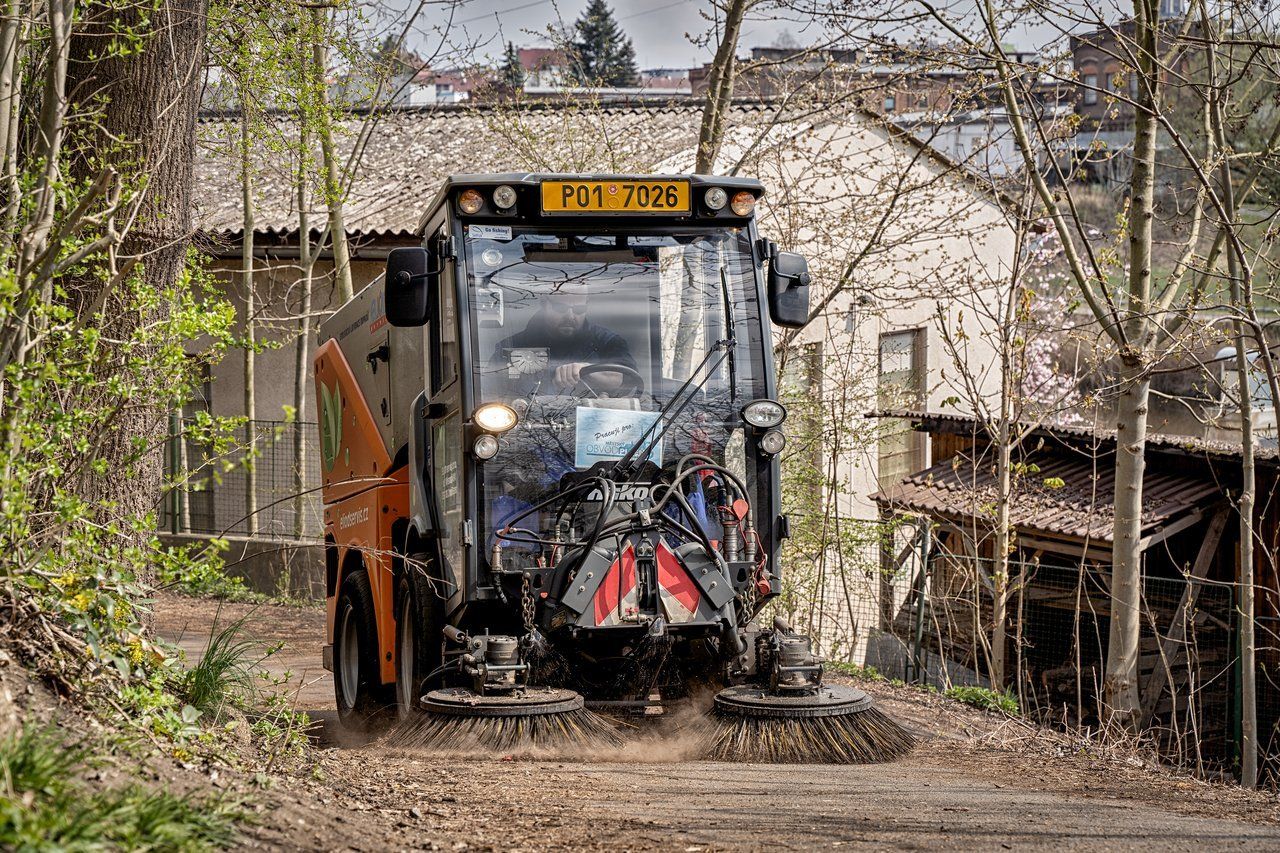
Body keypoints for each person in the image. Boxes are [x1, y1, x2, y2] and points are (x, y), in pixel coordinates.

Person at [490, 286, 637, 394]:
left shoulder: (608, 342)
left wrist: (586, 370)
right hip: (526, 429)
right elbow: (490, 393)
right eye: (561, 308)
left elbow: (629, 380)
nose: (570, 316)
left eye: (579, 309)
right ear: (543, 303)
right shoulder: (511, 347)